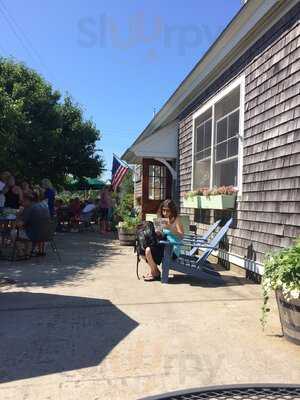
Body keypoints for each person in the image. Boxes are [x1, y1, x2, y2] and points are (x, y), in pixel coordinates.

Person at [143, 199, 184, 282]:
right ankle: (155, 272)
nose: (165, 213)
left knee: (148, 251)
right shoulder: (162, 220)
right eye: (163, 210)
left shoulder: (176, 220)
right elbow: (162, 235)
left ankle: (154, 273)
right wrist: (157, 232)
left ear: (172, 210)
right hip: (164, 245)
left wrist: (171, 228)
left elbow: (181, 236)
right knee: (141, 251)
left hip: (172, 249)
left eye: (167, 211)